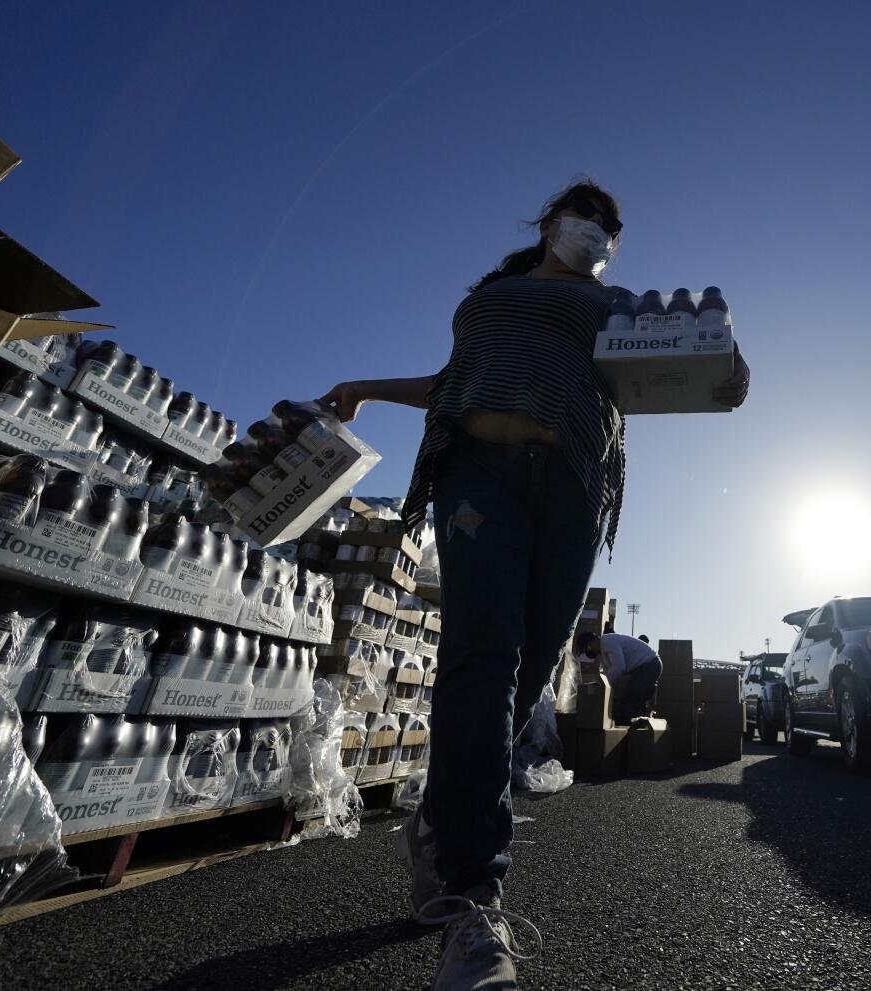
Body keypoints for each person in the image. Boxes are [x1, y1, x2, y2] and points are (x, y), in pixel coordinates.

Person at [319, 179, 750, 991]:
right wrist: (370, 386)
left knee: (527, 670)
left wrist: (730, 369)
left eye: (610, 225)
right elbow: (454, 379)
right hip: (478, 472)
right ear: (549, 223)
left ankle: (443, 823)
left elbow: (691, 354)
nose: (597, 230)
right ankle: (470, 896)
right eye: (585, 216)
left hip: (573, 481)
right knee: (484, 652)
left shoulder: (618, 304)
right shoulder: (494, 297)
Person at [575, 630, 663, 723]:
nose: (588, 652)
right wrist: (603, 688)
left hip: (650, 664)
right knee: (628, 698)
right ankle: (633, 722)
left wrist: (604, 685)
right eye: (585, 651)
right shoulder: (601, 652)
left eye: (588, 648)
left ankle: (631, 727)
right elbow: (607, 674)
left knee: (632, 697)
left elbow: (619, 667)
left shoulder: (608, 642)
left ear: (593, 641)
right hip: (641, 667)